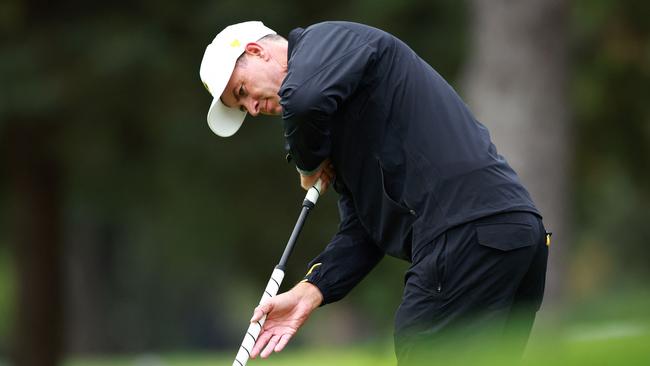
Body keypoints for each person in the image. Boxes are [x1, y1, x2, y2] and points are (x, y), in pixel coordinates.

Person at [200, 21, 549, 364]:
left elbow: (303, 101)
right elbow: (365, 228)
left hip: (465, 234)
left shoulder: (326, 41)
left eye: (242, 92)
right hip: (509, 236)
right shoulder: (340, 111)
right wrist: (311, 290)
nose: (253, 108)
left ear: (257, 51)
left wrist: (307, 166)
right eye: (242, 107)